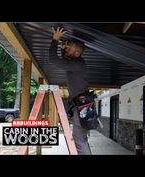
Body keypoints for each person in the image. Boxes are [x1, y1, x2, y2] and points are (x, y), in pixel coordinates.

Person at [49, 26, 91, 155]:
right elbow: (65, 61)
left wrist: (55, 40)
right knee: (81, 138)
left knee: (80, 139)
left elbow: (54, 61)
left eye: (69, 47)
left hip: (82, 106)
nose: (66, 47)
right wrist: (63, 50)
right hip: (82, 105)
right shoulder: (77, 63)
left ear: (77, 53)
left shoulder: (77, 64)